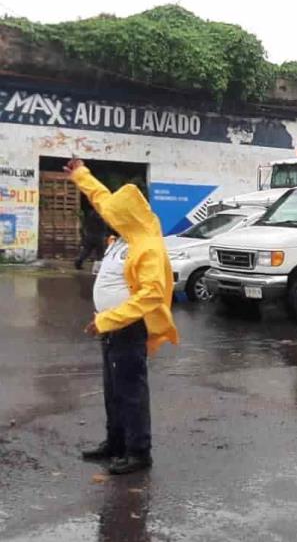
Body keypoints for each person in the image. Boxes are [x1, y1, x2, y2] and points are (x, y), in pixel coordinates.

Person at [65, 158, 179, 475]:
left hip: (128, 327)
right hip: (112, 326)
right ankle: (115, 444)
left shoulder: (147, 246)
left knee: (130, 391)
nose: (108, 216)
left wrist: (107, 319)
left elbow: (153, 293)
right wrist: (81, 174)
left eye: (116, 214)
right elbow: (103, 199)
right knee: (112, 389)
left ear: (127, 215)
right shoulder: (125, 236)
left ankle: (138, 452)